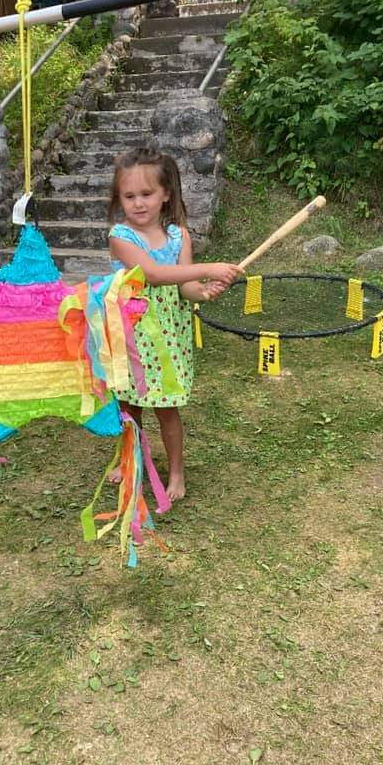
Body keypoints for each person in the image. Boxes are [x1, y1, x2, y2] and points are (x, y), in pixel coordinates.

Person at [108, 146, 242, 501]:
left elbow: (185, 288)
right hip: (133, 334)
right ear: (119, 199)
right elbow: (151, 274)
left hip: (168, 337)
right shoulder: (120, 237)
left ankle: (177, 473)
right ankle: (127, 460)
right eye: (129, 196)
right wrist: (207, 269)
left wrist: (206, 290)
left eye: (147, 194)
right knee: (128, 405)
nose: (138, 203)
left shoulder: (179, 235)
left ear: (166, 194)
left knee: (166, 406)